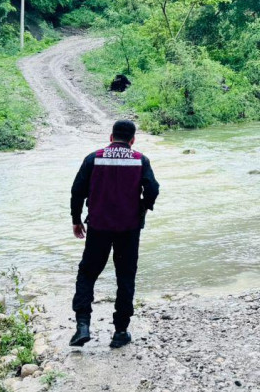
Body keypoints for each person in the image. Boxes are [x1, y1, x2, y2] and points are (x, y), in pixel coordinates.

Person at [69, 119, 159, 348]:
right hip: (129, 229)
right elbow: (153, 189)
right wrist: (143, 207)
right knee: (125, 276)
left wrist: (76, 220)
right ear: (132, 140)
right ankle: (120, 331)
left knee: (87, 273)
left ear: (111, 137)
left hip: (98, 227)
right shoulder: (140, 160)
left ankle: (82, 325)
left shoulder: (93, 158)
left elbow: (77, 191)